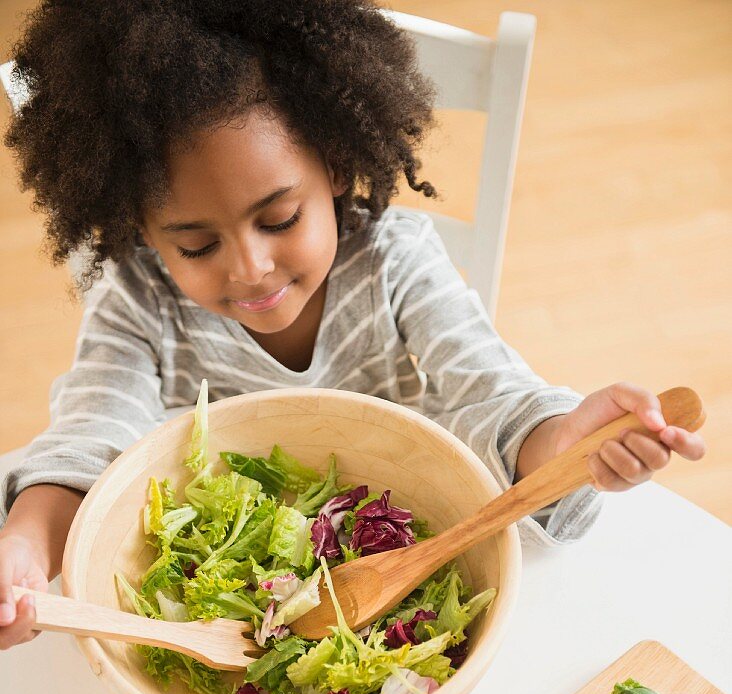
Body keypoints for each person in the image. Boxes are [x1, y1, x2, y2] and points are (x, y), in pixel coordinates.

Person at [0, 0, 704, 650]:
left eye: (279, 219)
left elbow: (491, 391)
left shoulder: (396, 262)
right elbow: (93, 435)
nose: (250, 268)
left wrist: (564, 445)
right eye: (196, 245)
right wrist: (27, 549)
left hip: (408, 545)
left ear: (335, 165)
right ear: (142, 230)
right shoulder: (137, 299)